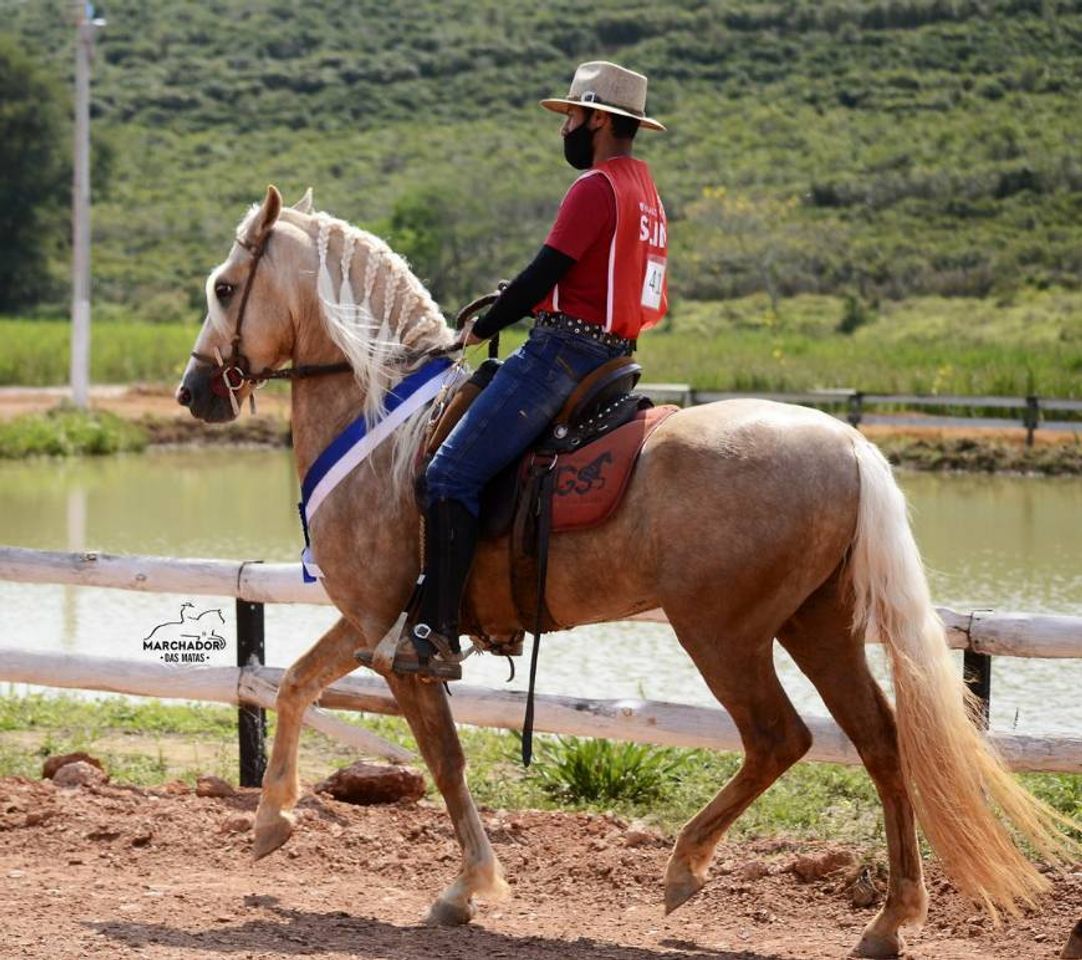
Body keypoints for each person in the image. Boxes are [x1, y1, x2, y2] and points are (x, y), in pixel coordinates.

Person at [393, 60, 669, 680]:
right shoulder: (646, 194)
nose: (564, 128)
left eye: (571, 116)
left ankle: (435, 630)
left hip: (561, 356)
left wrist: (483, 326)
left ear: (598, 119)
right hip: (615, 356)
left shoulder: (595, 188)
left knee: (449, 475)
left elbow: (545, 271)